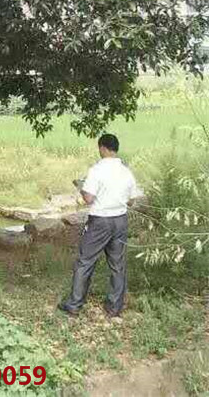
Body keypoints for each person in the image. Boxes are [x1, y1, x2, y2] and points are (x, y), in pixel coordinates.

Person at [58, 133, 141, 318]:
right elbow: (132, 201)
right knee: (118, 264)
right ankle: (114, 308)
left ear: (102, 148)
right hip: (120, 220)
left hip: (100, 221)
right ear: (116, 149)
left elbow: (88, 198)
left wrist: (81, 187)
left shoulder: (97, 170)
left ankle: (74, 304)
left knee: (85, 261)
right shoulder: (126, 171)